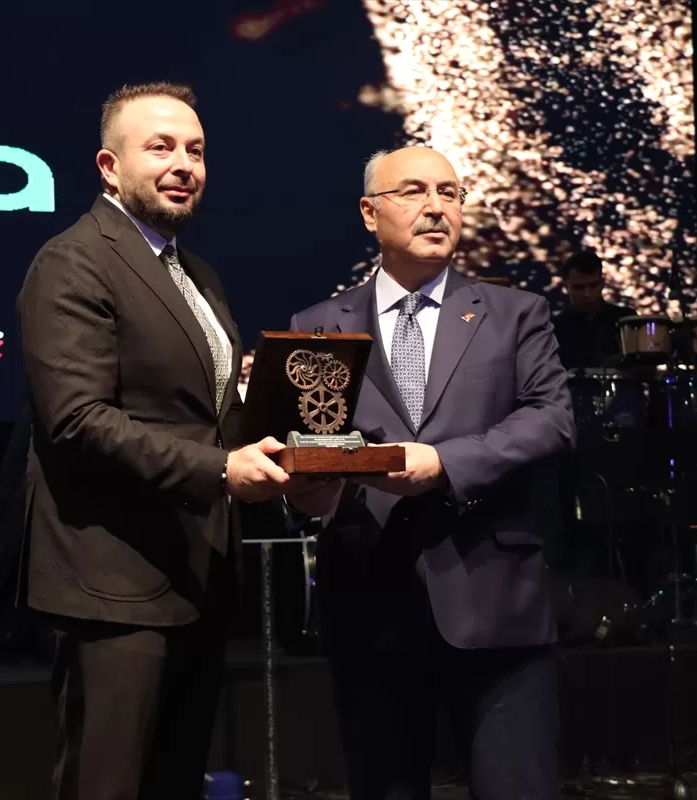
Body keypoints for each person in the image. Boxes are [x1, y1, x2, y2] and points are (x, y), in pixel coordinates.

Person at [16, 82, 291, 800]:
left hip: (195, 576)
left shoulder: (196, 273)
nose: (183, 165)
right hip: (113, 584)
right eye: (160, 147)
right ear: (109, 166)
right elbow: (78, 420)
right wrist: (222, 470)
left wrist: (272, 418)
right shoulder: (73, 261)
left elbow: (199, 411)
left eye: (195, 151)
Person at [284, 146, 576, 800]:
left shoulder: (516, 314)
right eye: (414, 191)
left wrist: (445, 464)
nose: (437, 207)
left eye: (450, 192)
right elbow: (312, 453)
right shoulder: (317, 326)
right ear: (370, 213)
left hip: (495, 595)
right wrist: (306, 490)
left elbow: (552, 419)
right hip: (369, 600)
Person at [552, 249, 635, 369]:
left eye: (593, 285)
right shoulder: (556, 328)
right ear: (566, 286)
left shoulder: (626, 319)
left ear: (602, 284)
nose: (587, 294)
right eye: (579, 287)